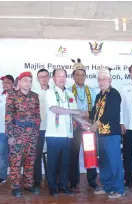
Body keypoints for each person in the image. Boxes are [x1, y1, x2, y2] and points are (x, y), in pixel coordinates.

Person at [45, 68, 81, 196]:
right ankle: (52, 187)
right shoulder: (49, 92)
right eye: (58, 76)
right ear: (53, 78)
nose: (61, 78)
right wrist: (73, 112)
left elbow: (76, 114)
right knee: (53, 163)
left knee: (65, 163)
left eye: (63, 76)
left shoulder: (70, 94)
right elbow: (55, 109)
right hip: (54, 134)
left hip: (68, 134)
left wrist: (87, 124)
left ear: (66, 78)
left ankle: (64, 186)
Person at [90, 68, 125, 199]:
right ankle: (107, 186)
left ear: (110, 80)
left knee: (115, 162)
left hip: (112, 134)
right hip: (100, 134)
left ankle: (119, 189)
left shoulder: (114, 94)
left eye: (104, 79)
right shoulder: (99, 95)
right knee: (103, 162)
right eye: (99, 79)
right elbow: (94, 111)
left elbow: (111, 113)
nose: (101, 81)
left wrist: (95, 124)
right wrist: (86, 117)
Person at [6, 72, 41, 197]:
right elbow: (8, 116)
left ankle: (28, 184)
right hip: (17, 134)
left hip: (32, 134)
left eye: (30, 81)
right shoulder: (12, 96)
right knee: (15, 161)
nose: (28, 83)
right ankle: (15, 187)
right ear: (19, 82)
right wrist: (10, 135)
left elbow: (37, 116)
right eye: (25, 80)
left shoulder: (35, 96)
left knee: (30, 160)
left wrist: (36, 132)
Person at [67, 59, 98, 191]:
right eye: (77, 74)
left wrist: (89, 115)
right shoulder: (67, 91)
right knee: (73, 155)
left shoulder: (92, 91)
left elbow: (97, 109)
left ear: (86, 76)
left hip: (89, 127)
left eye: (82, 74)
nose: (80, 77)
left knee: (90, 153)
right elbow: (67, 109)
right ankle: (74, 182)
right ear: (73, 76)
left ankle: (92, 181)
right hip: (74, 127)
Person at [0, 75, 15, 186]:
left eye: (8, 82)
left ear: (13, 84)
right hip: (1, 131)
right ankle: (2, 176)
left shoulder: (18, 96)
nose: (5, 84)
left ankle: (16, 177)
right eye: (4, 83)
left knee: (15, 154)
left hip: (15, 131)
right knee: (1, 153)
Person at [33, 68, 50, 190]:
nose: (43, 78)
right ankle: (37, 181)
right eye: (41, 76)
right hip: (38, 128)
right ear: (38, 79)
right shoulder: (33, 92)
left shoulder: (55, 91)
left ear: (49, 77)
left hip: (53, 129)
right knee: (37, 155)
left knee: (52, 155)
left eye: (45, 76)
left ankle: (52, 179)